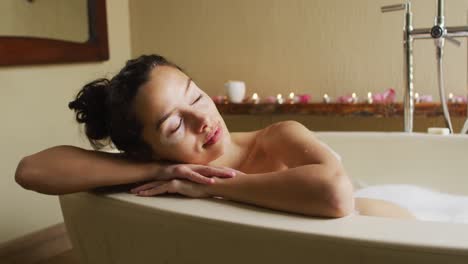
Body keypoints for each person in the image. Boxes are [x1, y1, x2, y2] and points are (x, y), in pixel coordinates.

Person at [15, 54, 414, 219]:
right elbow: (32, 170)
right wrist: (161, 166)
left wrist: (212, 188)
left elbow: (337, 196)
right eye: (174, 126)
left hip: (387, 226)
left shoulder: (276, 138)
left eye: (197, 97)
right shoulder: (165, 169)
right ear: (147, 149)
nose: (202, 120)